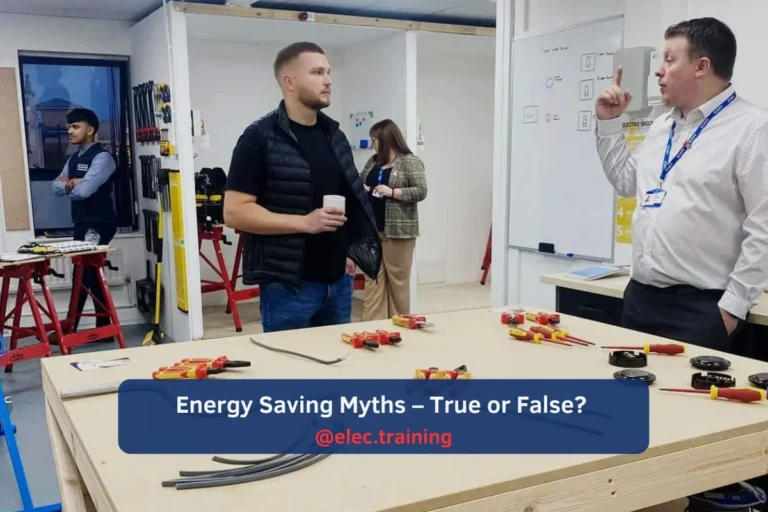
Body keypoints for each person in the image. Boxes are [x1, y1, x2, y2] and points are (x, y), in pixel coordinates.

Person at [594, 17, 768, 353]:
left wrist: (732, 306)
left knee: (684, 404)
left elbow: (763, 227)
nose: (658, 71)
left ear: (702, 66)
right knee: (634, 400)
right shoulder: (662, 125)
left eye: (669, 59)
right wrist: (609, 124)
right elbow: (627, 181)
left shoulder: (753, 128)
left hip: (702, 309)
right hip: (640, 298)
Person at [223, 42, 382, 333]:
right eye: (317, 72)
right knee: (289, 374)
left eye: (329, 72)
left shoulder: (335, 136)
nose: (328, 80)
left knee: (336, 371)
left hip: (338, 283)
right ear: (289, 82)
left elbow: (351, 199)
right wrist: (304, 223)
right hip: (289, 288)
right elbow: (234, 213)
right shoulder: (259, 137)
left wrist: (351, 252)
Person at [52, 108, 118, 330]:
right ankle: (104, 327)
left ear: (90, 130)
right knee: (91, 273)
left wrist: (71, 185)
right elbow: (55, 187)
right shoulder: (73, 159)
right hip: (81, 221)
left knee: (82, 273)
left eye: (76, 126)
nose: (70, 131)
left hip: (99, 222)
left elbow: (86, 191)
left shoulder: (103, 158)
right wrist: (71, 183)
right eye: (69, 127)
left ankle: (70, 328)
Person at [359, 119, 427, 320]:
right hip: (373, 229)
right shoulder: (373, 162)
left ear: (387, 139)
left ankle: (399, 325)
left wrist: (393, 191)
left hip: (399, 233)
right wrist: (364, 189)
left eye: (375, 138)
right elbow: (362, 182)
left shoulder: (409, 162)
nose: (373, 143)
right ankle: (371, 326)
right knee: (374, 280)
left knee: (398, 281)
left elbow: (421, 191)